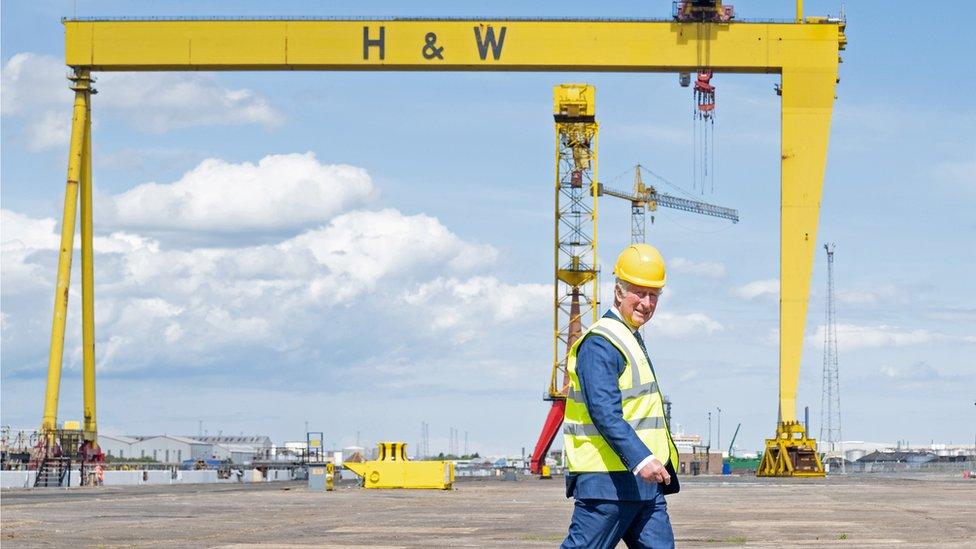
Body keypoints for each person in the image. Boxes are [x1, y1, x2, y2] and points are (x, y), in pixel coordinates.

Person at [561, 243, 681, 549]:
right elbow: (603, 411)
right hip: (608, 482)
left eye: (653, 295)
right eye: (638, 293)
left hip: (646, 482)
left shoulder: (630, 338)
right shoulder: (601, 342)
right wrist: (641, 459)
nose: (646, 302)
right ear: (618, 292)